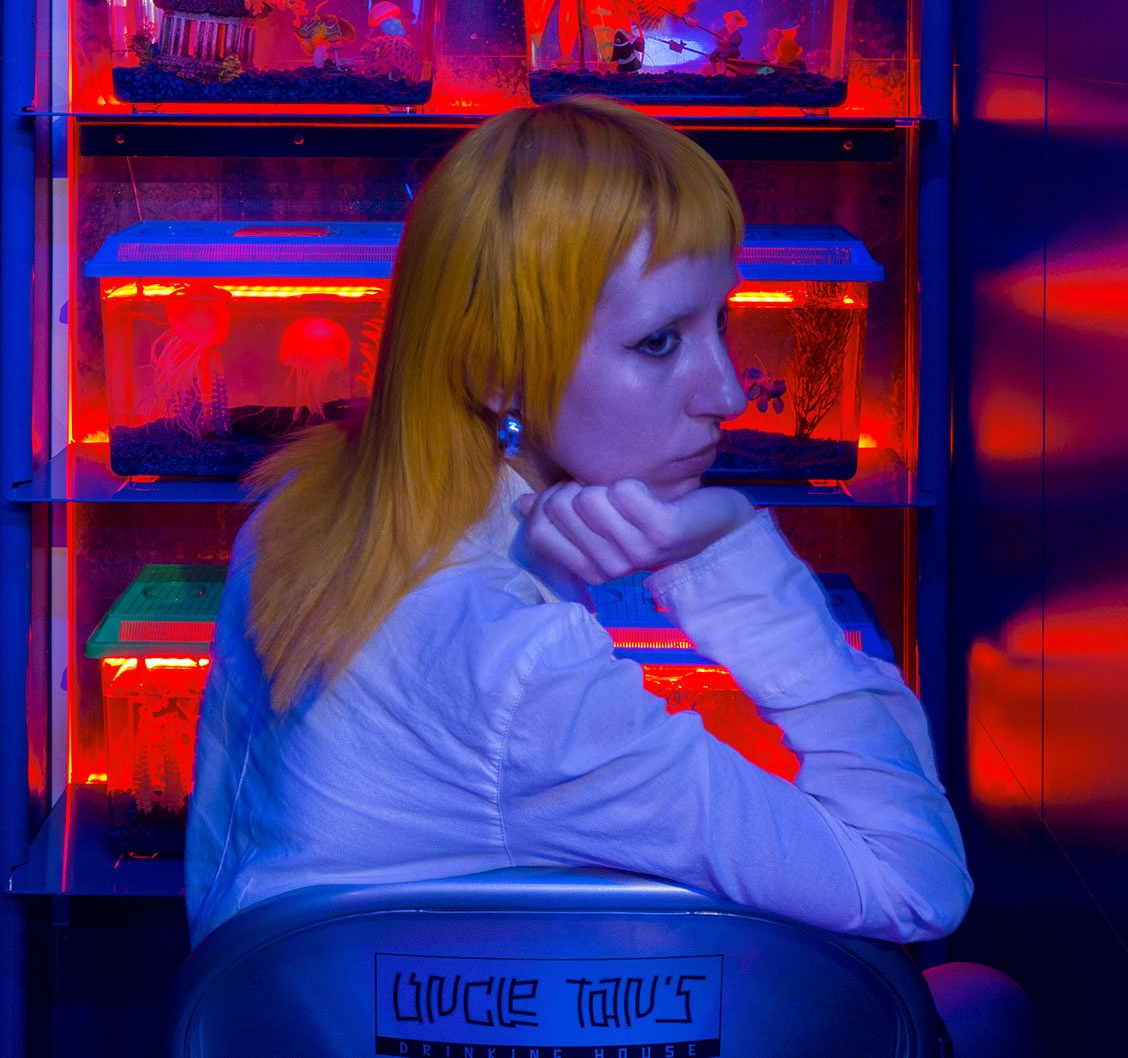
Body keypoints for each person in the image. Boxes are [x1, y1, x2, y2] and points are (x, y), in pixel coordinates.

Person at [186, 98, 1040, 1054]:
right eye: (660, 341)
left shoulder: (301, 507)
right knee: (983, 1000)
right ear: (499, 369)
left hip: (321, 1029)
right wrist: (732, 555)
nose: (727, 392)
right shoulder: (525, 673)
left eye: (722, 321)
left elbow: (227, 872)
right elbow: (915, 882)